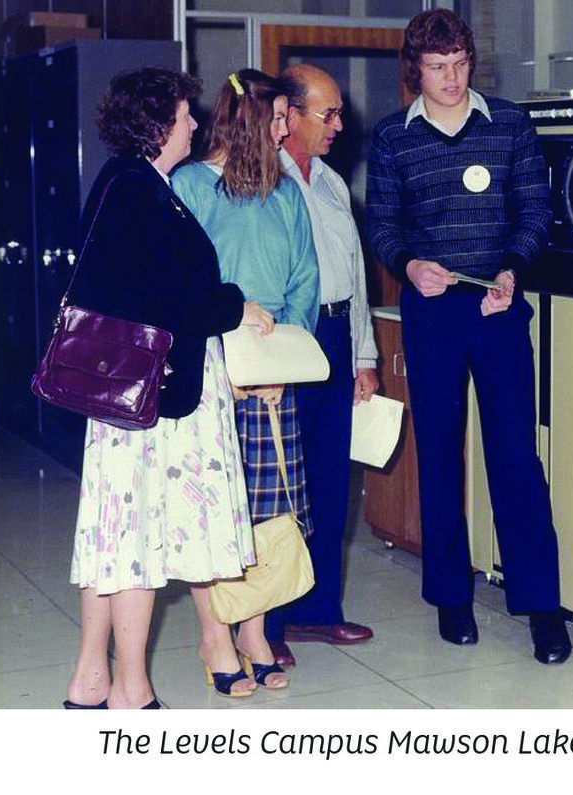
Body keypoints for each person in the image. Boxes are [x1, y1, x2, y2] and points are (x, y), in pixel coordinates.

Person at [366, 9, 571, 664]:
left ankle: (541, 605)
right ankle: (451, 596)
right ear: (414, 70)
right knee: (442, 454)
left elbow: (536, 211)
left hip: (498, 307)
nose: (451, 79)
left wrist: (512, 268)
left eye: (459, 65)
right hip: (433, 313)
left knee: (516, 456)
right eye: (437, 68)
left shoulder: (510, 124)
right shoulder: (392, 139)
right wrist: (407, 266)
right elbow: (383, 224)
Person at [66, 66, 274, 708]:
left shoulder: (136, 181)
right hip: (152, 397)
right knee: (135, 542)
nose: (193, 122)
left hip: (137, 392)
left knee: (116, 531)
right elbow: (160, 299)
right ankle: (131, 687)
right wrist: (234, 305)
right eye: (184, 113)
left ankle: (92, 679)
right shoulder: (138, 187)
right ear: (158, 124)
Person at [172, 69, 320, 694]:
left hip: (270, 367)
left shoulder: (286, 195)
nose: (287, 128)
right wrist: (223, 369)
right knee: (213, 514)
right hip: (210, 367)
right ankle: (215, 636)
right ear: (249, 120)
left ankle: (255, 632)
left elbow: (303, 283)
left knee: (266, 509)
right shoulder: (190, 186)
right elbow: (182, 286)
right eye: (279, 117)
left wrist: (280, 365)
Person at [261, 63, 380, 665]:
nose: (338, 124)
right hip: (289, 340)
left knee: (333, 478)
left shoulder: (332, 183)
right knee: (282, 482)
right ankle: (268, 623)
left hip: (336, 335)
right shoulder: (262, 179)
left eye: (339, 113)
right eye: (326, 113)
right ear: (290, 114)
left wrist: (363, 355)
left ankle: (318, 612)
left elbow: (355, 275)